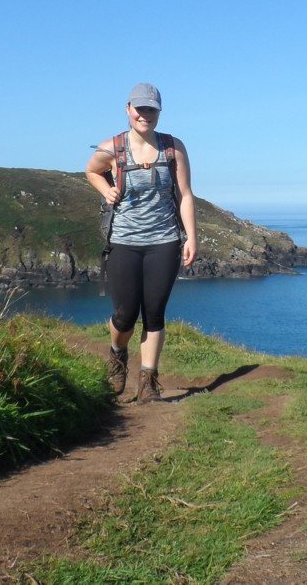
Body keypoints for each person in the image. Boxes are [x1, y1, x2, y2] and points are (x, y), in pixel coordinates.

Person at [85, 82, 197, 403]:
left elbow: (185, 194)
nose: (145, 115)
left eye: (151, 109)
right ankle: (117, 354)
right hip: (123, 241)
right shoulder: (112, 148)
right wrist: (105, 189)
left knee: (154, 313)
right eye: (140, 109)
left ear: (159, 112)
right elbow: (92, 171)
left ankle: (148, 382)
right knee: (124, 315)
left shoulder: (173, 148)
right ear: (128, 109)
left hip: (165, 240)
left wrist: (191, 236)